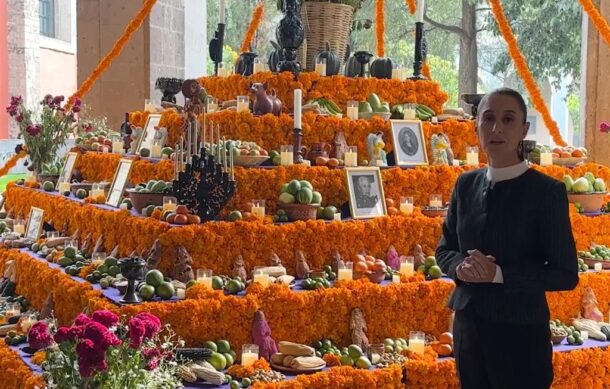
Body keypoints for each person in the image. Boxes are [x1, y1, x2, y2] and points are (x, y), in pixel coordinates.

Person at [435, 88, 578, 389]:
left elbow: (565, 274)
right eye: (488, 119)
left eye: (508, 119)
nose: (496, 128)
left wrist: (499, 275)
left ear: (524, 129)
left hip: (521, 337)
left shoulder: (546, 192)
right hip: (469, 332)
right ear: (477, 127)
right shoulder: (465, 184)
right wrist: (459, 266)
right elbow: (445, 249)